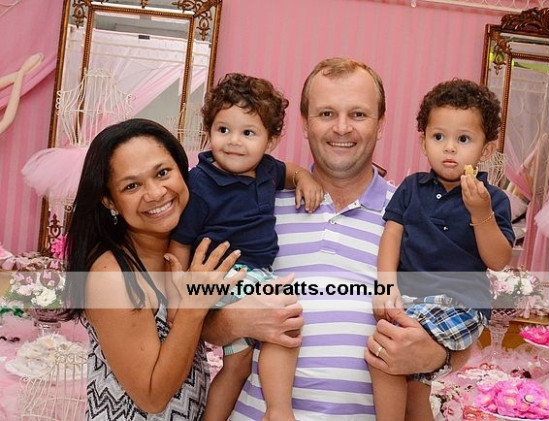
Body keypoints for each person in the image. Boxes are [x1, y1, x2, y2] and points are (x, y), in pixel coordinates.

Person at [203, 57, 478, 420]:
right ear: (305, 124)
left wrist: (436, 355)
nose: (342, 128)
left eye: (358, 114)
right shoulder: (255, 207)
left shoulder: (417, 216)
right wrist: (239, 322)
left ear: (381, 124)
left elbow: (461, 321)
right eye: (327, 114)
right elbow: (197, 313)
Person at [62, 118, 246, 420]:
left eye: (162, 173)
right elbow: (151, 396)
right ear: (110, 200)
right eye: (132, 185)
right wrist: (193, 307)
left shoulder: (184, 251)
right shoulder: (113, 276)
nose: (156, 193)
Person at [168, 73, 323, 421]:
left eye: (248, 133)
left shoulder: (267, 170)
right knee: (286, 319)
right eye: (223, 130)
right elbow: (180, 242)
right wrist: (178, 294)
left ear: (271, 140)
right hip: (224, 274)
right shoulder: (200, 183)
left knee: (237, 366)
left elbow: (290, 171)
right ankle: (279, 410)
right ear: (209, 131)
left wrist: (305, 177)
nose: (234, 141)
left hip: (253, 274)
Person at [370, 79, 515, 421]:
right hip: (413, 300)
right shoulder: (411, 188)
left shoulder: (492, 199)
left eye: (463, 139)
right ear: (423, 142)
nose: (449, 148)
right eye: (439, 137)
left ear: (486, 150)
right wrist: (386, 284)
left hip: (460, 303)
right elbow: (392, 235)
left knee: (385, 354)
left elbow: (498, 260)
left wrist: (481, 213)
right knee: (414, 389)